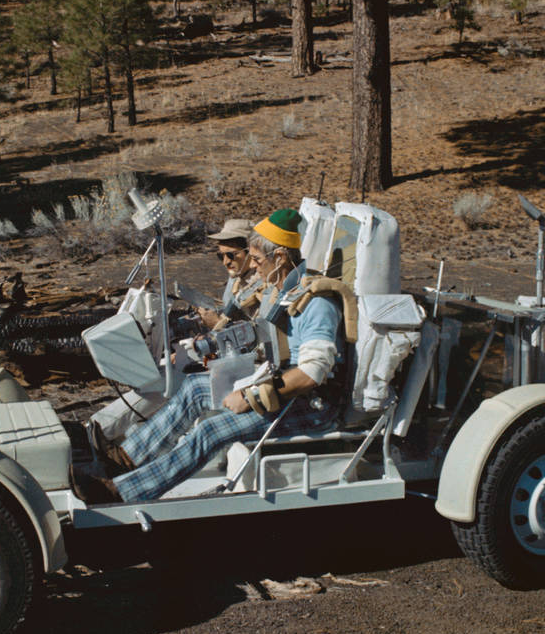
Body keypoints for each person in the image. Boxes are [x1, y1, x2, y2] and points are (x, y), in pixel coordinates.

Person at [73, 208, 344, 503]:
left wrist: (250, 395)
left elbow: (311, 373)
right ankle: (125, 458)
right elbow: (265, 339)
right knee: (193, 388)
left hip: (310, 404)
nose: (253, 267)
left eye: (257, 260)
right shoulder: (279, 291)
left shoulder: (316, 304)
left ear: (279, 257)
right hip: (276, 382)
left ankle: (120, 492)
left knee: (211, 429)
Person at [198, 218, 260, 329]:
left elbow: (260, 333)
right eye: (221, 256)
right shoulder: (236, 277)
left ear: (250, 251)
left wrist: (217, 325)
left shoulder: (262, 283)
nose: (225, 262)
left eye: (231, 255)